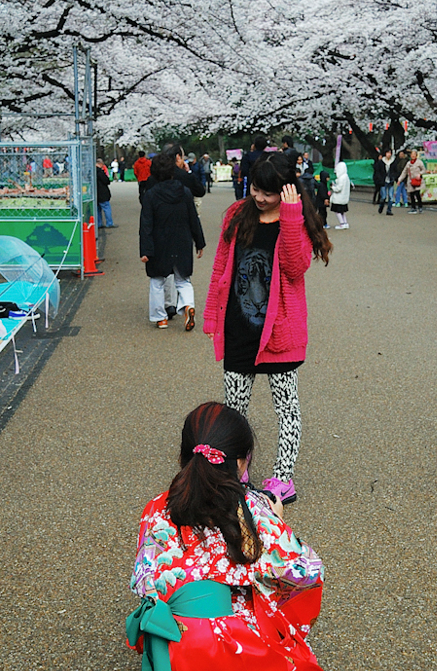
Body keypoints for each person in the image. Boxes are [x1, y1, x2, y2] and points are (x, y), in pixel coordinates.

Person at [124, 401, 403, 671]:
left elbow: (146, 583)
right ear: (241, 463)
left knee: (214, 611)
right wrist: (270, 523)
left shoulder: (157, 510)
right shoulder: (250, 510)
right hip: (232, 660)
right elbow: (305, 572)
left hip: (175, 661)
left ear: (184, 457)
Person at [203, 152, 331, 505]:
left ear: (286, 192)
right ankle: (235, 470)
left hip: (279, 332)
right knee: (234, 409)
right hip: (240, 328)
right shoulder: (237, 214)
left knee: (286, 408)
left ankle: (283, 478)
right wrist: (213, 316)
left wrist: (290, 216)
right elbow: (220, 269)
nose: (259, 198)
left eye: (267, 193)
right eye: (255, 189)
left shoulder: (296, 221)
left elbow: (295, 267)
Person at [139, 151, 205, 329]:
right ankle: (188, 305)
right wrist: (199, 242)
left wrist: (145, 249)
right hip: (182, 240)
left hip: (159, 242)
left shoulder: (151, 195)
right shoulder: (184, 192)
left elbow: (146, 224)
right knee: (183, 280)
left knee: (157, 281)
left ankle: (160, 318)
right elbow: (193, 218)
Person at [397, 149, 426, 214]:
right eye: (412, 154)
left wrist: (420, 174)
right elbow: (404, 172)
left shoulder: (419, 162)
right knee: (411, 194)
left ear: (416, 155)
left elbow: (424, 170)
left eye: (414, 154)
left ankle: (420, 207)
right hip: (410, 181)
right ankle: (413, 208)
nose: (413, 156)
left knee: (417, 194)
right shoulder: (408, 163)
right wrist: (399, 180)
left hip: (417, 181)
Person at [329, 161, 351, 228]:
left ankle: (342, 223)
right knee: (342, 211)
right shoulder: (346, 177)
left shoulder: (341, 178)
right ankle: (345, 222)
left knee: (337, 211)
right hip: (344, 198)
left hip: (339, 198)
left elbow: (338, 188)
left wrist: (333, 187)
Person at [95, 159, 114, 227]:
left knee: (97, 209)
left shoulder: (92, 172)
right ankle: (109, 223)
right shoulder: (100, 172)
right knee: (106, 208)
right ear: (100, 164)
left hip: (95, 193)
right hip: (102, 193)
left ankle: (99, 223)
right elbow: (106, 180)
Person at [376, 149, 396, 215]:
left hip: (390, 181)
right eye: (387, 153)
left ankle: (389, 210)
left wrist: (394, 177)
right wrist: (380, 179)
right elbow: (378, 171)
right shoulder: (381, 162)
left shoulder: (393, 161)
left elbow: (395, 171)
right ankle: (381, 206)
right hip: (383, 181)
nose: (389, 154)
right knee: (383, 196)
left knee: (391, 197)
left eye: (390, 153)